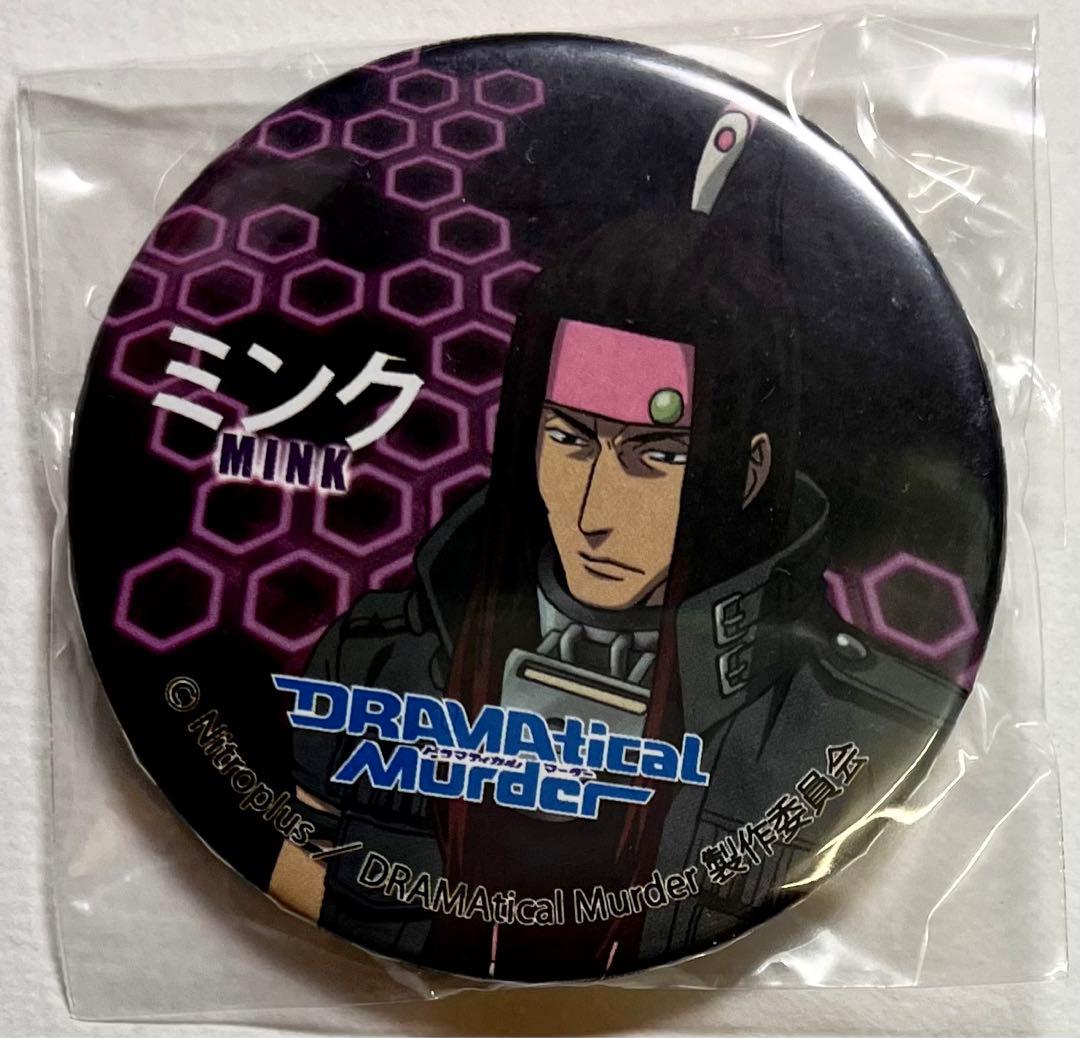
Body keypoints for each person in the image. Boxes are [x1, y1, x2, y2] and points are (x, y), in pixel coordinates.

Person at [268, 111, 965, 981]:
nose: (595, 513)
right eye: (570, 439)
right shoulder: (377, 662)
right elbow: (300, 899)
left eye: (656, 456)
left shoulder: (853, 728)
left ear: (749, 469)